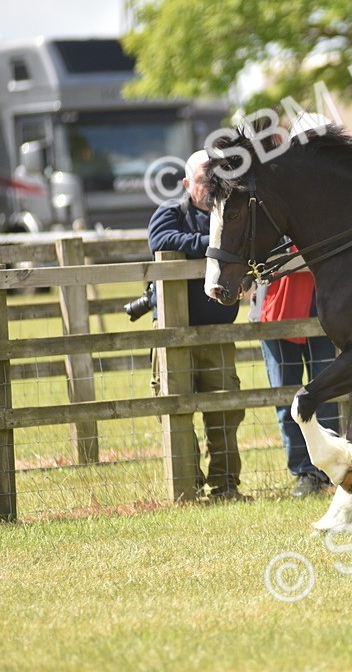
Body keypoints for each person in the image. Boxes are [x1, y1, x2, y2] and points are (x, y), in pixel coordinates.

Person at [148, 150, 247, 501]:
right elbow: (161, 241)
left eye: (217, 179)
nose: (210, 186)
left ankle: (225, 486)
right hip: (174, 335)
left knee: (225, 412)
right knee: (177, 410)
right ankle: (186, 488)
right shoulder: (172, 213)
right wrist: (213, 245)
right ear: (188, 183)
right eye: (204, 180)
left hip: (217, 334)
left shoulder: (231, 214)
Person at [250, 263, 342, 498]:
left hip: (322, 307)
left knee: (327, 396)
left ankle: (331, 469)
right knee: (286, 400)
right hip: (276, 309)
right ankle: (304, 472)